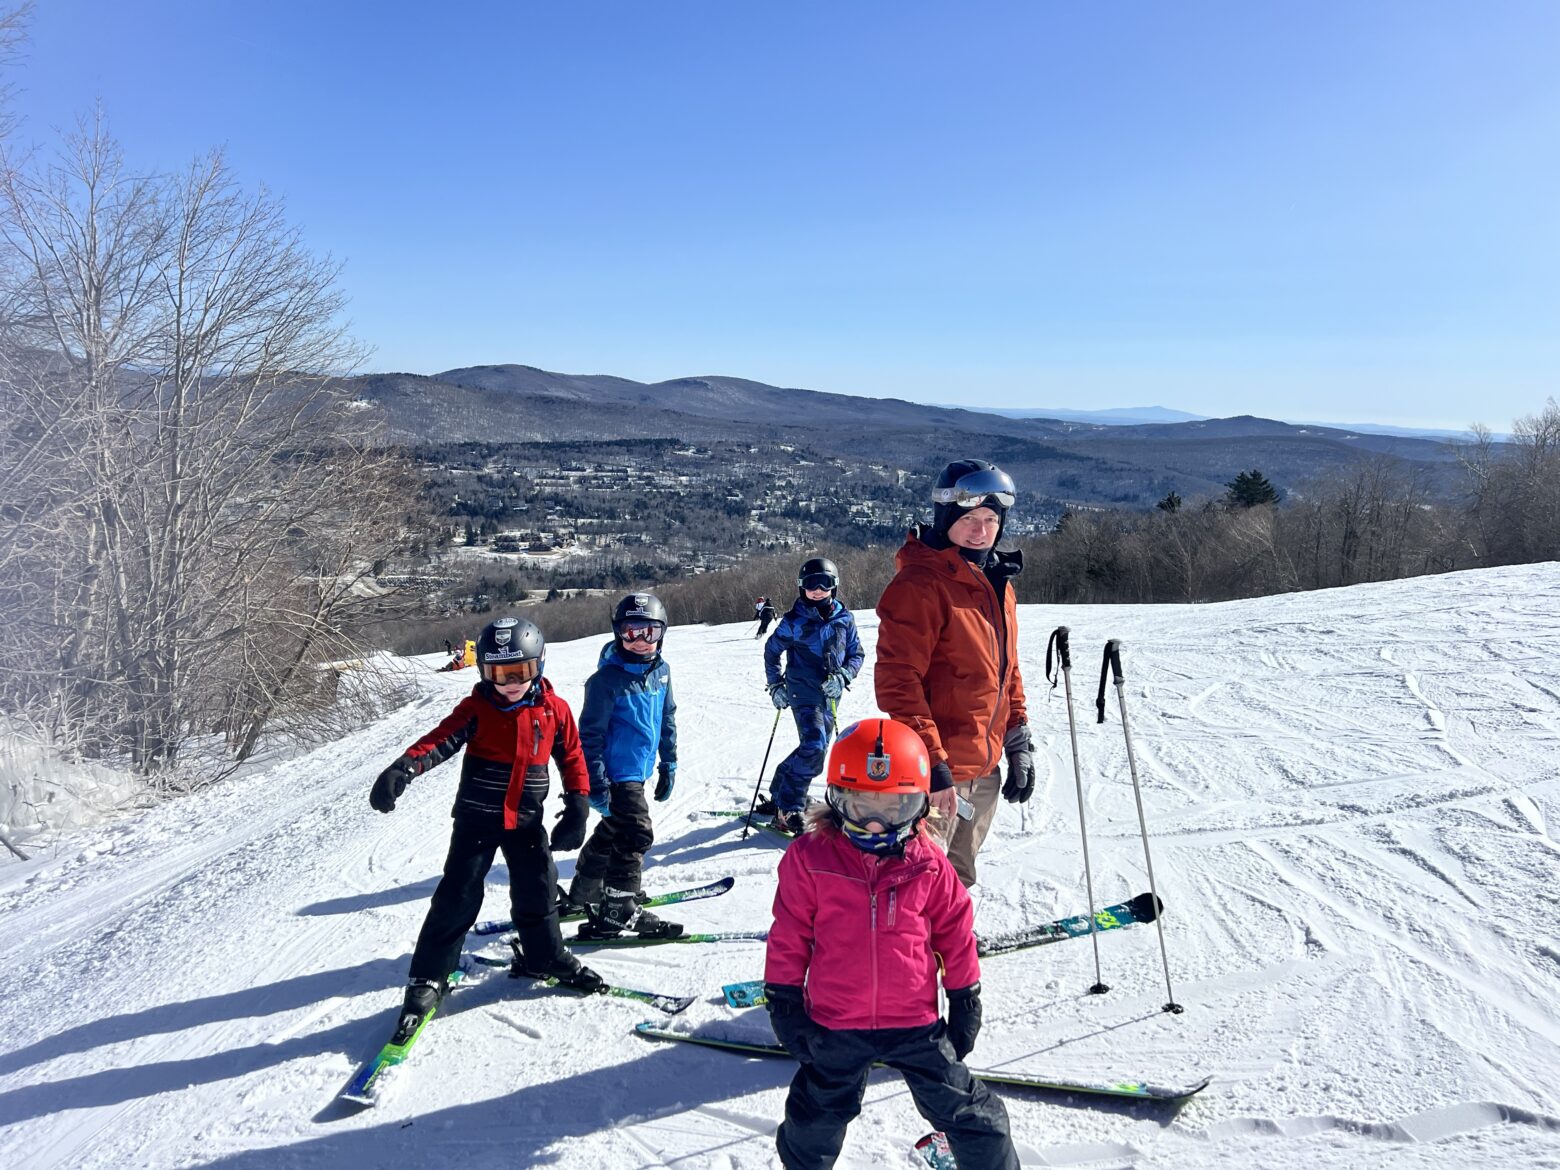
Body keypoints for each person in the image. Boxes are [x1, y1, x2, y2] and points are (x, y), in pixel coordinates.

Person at [763, 717, 1018, 1170]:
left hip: (914, 1024)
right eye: (861, 805)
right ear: (837, 800)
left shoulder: (929, 863)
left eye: (894, 808)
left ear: (919, 808)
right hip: (836, 1023)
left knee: (978, 1120)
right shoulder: (810, 859)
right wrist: (784, 999)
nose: (877, 824)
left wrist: (964, 996)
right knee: (811, 1121)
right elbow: (790, 934)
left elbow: (955, 934)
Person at [369, 616, 604, 1027]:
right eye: (499, 674)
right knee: (457, 895)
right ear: (484, 672)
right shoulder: (477, 708)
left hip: (527, 822)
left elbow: (571, 757)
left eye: (520, 672)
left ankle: (545, 955)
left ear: (539, 666)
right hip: (476, 821)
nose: (511, 683)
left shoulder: (554, 710)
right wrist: (404, 768)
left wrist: (579, 803)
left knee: (539, 891)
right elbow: (440, 740)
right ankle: (429, 974)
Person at [875, 459, 1035, 888]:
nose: (981, 530)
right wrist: (935, 765)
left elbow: (1007, 671)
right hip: (937, 776)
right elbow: (898, 683)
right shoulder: (920, 587)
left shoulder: (997, 584)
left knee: (958, 879)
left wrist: (1017, 737)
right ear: (946, 519)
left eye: (989, 519)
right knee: (916, 882)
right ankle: (909, 955)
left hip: (983, 772)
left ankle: (947, 951)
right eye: (968, 519)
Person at [565, 592, 681, 939]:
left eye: (650, 632)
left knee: (613, 830)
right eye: (632, 632)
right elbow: (590, 736)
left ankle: (587, 890)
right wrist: (597, 784)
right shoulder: (604, 682)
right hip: (616, 774)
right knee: (635, 833)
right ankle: (619, 906)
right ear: (618, 633)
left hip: (639, 768)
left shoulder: (662, 672)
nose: (641, 641)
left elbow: (667, 716)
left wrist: (669, 762)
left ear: (662, 633)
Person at [760, 557, 864, 834]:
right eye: (810, 585)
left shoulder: (845, 619)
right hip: (802, 690)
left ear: (835, 586)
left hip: (830, 695)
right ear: (801, 587)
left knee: (814, 748)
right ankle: (789, 807)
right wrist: (775, 685)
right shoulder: (793, 621)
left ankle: (779, 790)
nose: (817, 590)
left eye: (824, 584)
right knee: (815, 747)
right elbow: (771, 652)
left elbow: (857, 654)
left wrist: (843, 676)